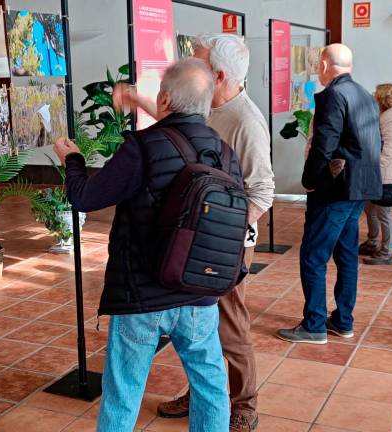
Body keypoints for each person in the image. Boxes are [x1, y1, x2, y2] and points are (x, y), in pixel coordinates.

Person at [54, 58, 240, 432]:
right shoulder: (223, 151)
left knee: (124, 390)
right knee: (210, 385)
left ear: (166, 98)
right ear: (207, 104)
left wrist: (71, 159)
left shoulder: (143, 147)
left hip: (142, 294)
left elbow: (86, 196)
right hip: (199, 292)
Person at [115, 33, 273, 432]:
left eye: (200, 63)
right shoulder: (208, 107)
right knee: (196, 325)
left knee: (229, 324)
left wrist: (220, 231)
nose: (195, 69)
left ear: (218, 75)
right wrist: (137, 102)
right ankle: (202, 395)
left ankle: (243, 405)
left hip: (223, 243)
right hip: (188, 238)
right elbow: (178, 119)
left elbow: (263, 191)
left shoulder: (245, 120)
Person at [276, 44, 382, 344]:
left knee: (313, 255)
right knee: (346, 254)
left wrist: (309, 180)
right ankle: (343, 321)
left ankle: (314, 325)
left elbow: (325, 142)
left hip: (334, 188)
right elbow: (377, 141)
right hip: (360, 186)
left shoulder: (334, 95)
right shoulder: (364, 94)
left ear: (324, 65)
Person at [359, 84, 392, 265]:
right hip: (384, 173)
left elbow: (389, 151)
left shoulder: (388, 119)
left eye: (376, 96)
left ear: (383, 99)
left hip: (385, 175)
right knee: (370, 208)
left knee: (384, 213)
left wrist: (374, 170)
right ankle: (372, 242)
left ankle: (386, 251)